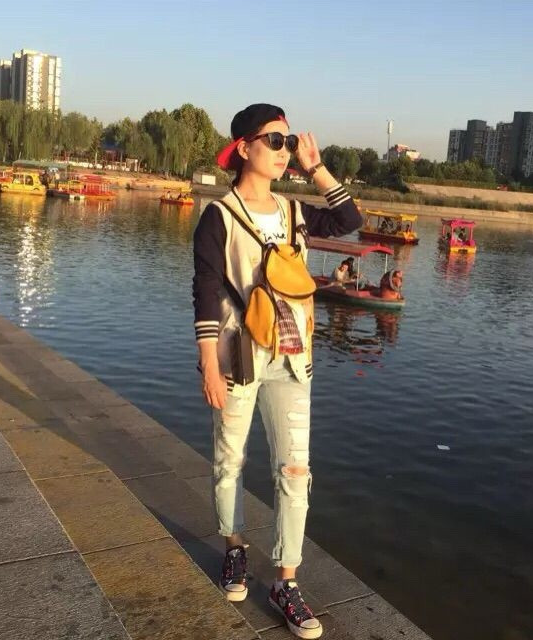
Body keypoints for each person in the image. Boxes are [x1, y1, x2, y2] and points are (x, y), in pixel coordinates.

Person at [192, 104, 361, 639]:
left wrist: (316, 168)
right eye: (273, 140)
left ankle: (286, 582)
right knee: (229, 460)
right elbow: (205, 292)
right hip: (237, 357)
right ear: (244, 148)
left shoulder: (294, 212)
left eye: (287, 141)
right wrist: (208, 364)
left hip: (292, 358)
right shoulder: (219, 216)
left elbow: (350, 222)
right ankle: (235, 548)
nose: (283, 150)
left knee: (295, 472)